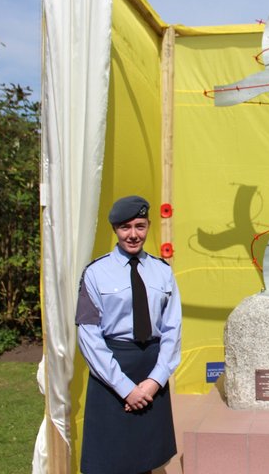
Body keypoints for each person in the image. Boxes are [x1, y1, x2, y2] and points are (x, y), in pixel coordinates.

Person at [76, 195, 182, 474]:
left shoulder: (162, 272)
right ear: (115, 229)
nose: (133, 235)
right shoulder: (95, 273)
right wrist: (126, 388)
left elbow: (172, 329)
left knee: (148, 460)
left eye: (140, 226)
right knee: (109, 462)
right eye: (126, 227)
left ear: (148, 227)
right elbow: (89, 337)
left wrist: (154, 381)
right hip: (111, 372)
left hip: (151, 369)